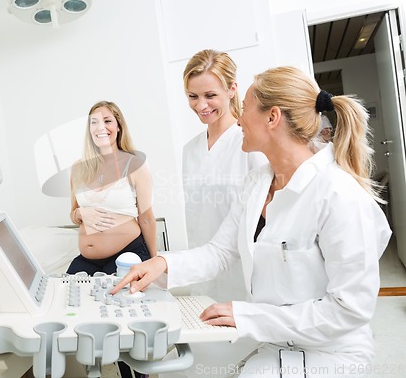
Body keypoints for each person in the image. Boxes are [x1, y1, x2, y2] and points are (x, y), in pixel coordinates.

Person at [112, 67, 391, 377]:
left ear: (272, 117)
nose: (239, 119)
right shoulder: (257, 182)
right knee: (179, 370)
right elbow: (219, 251)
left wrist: (249, 316)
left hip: (329, 351)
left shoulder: (339, 195)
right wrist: (161, 264)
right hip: (274, 339)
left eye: (244, 108)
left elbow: (349, 309)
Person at [182, 49, 266, 302]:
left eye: (210, 95)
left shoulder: (249, 143)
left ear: (231, 90)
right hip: (202, 271)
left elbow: (267, 217)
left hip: (246, 273)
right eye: (192, 96)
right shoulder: (190, 150)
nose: (201, 105)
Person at [67, 100, 156, 276]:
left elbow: (146, 219)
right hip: (87, 260)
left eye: (107, 121)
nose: (101, 127)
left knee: (115, 299)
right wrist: (79, 214)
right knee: (67, 297)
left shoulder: (135, 165)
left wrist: (154, 264)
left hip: (128, 254)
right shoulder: (78, 168)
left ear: (118, 126)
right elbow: (74, 213)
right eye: (95, 122)